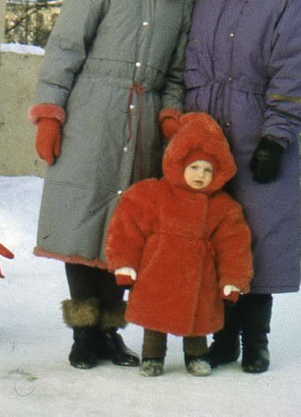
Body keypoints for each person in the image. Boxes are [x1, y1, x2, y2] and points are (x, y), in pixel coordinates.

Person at [28, 0, 192, 370]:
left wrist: (170, 116)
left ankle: (110, 332)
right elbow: (63, 56)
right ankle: (83, 334)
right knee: (83, 220)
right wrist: (49, 115)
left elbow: (178, 75)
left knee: (128, 230)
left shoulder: (178, 5)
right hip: (91, 119)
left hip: (144, 124)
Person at [184, 0, 301, 373]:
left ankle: (256, 339)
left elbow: (295, 72)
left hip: (259, 137)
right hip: (206, 140)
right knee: (213, 235)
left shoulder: (289, 3)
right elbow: (189, 65)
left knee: (260, 237)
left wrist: (275, 136)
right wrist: (185, 127)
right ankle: (223, 337)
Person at [105, 112, 253, 377]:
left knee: (196, 320)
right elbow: (127, 228)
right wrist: (124, 264)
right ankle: (152, 356)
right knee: (155, 317)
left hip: (199, 278)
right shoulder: (152, 194)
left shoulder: (223, 207)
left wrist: (233, 279)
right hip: (157, 272)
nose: (201, 175)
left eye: (208, 170)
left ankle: (196, 355)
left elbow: (234, 245)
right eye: (195, 167)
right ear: (179, 164)